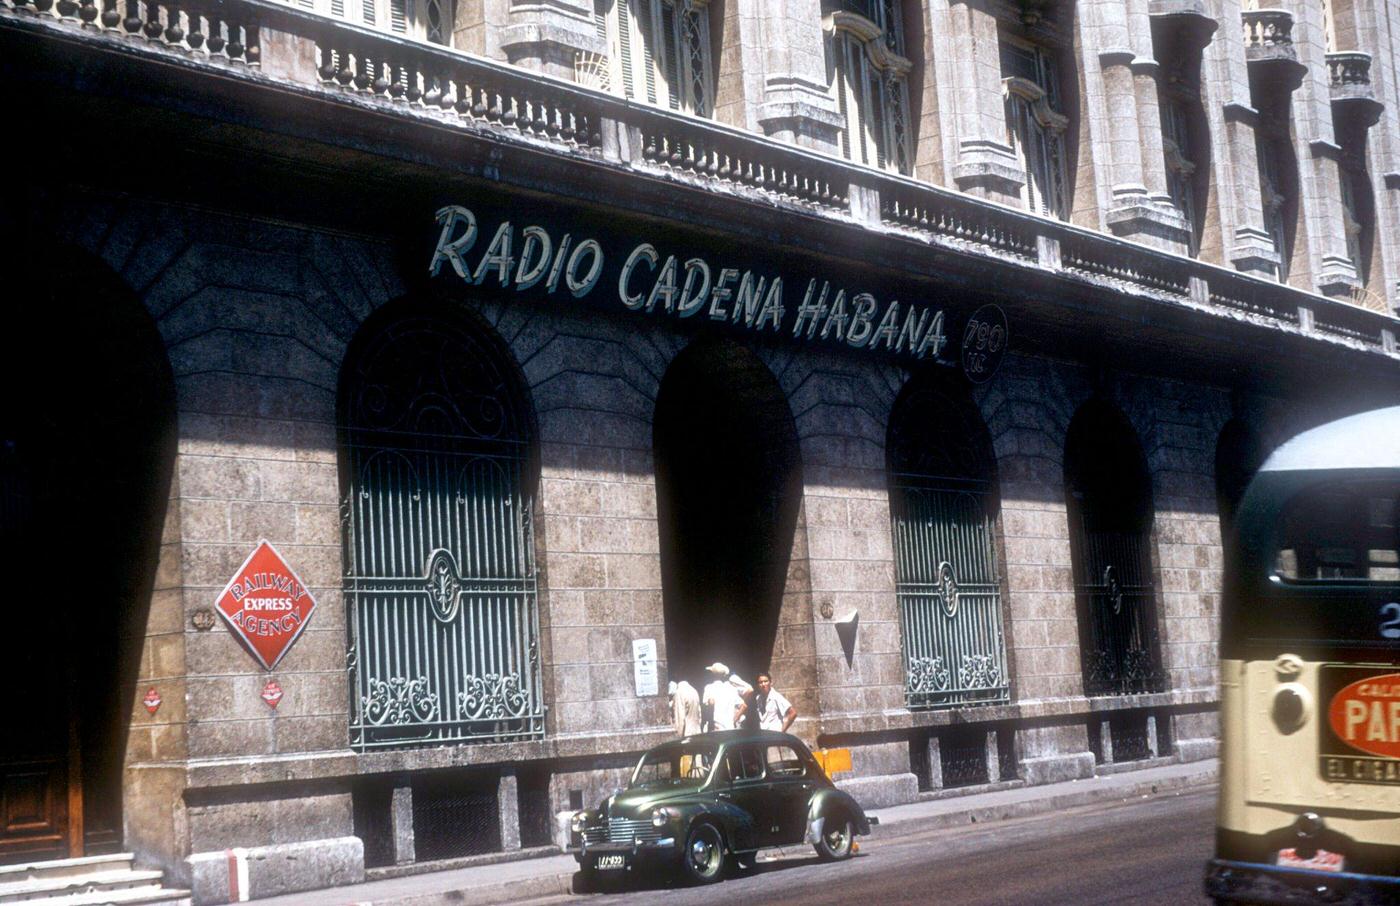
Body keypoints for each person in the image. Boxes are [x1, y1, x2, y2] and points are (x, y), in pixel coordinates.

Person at [701, 662, 751, 731]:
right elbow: (743, 706)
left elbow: (711, 703)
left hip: (716, 729)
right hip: (730, 729)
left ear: (713, 675)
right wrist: (734, 720)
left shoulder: (709, 688)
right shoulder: (731, 688)